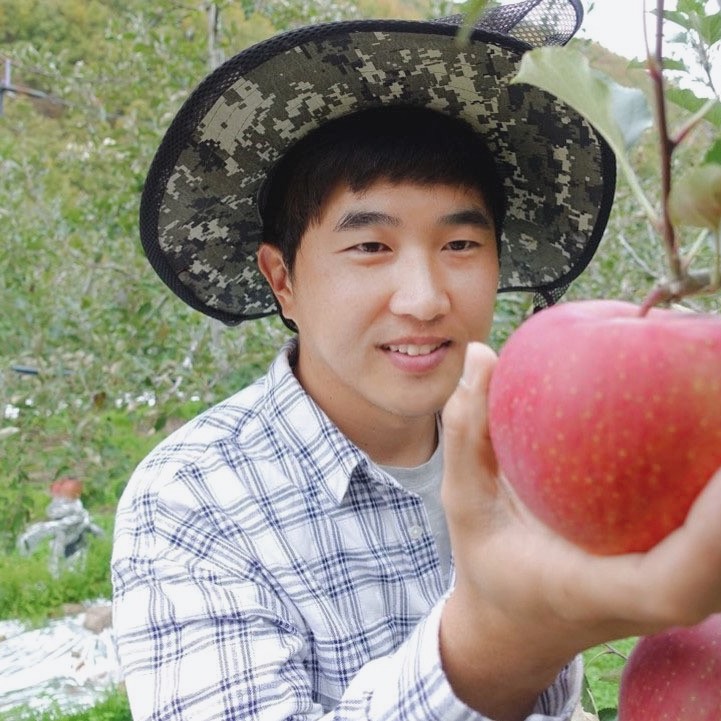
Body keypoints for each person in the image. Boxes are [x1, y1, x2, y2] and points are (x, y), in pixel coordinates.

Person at [111, 2, 721, 720]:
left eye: (460, 245)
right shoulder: (193, 500)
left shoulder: (533, 445)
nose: (426, 298)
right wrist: (497, 642)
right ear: (282, 279)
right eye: (369, 246)